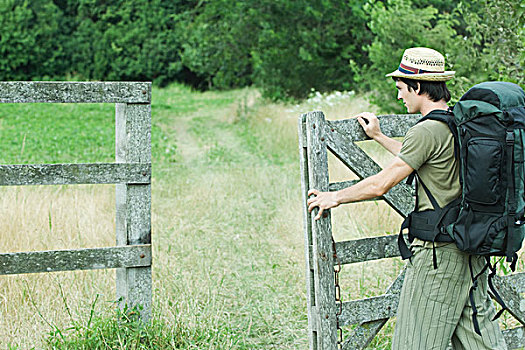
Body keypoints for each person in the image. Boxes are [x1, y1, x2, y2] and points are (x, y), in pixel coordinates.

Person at [307, 47, 507, 349]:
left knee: (416, 342)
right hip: (472, 246)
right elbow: (423, 159)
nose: (400, 96)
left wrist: (334, 196)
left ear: (418, 86)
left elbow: (380, 185)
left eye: (402, 89)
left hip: (439, 254)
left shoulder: (426, 131)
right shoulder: (459, 124)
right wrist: (379, 137)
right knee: (480, 341)